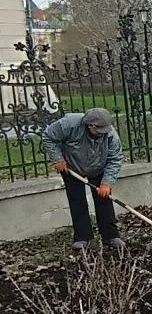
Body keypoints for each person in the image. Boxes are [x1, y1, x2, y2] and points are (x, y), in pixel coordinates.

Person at [42, 108, 126, 252]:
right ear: (90, 126)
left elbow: (115, 158)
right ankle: (82, 237)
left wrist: (106, 183)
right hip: (72, 168)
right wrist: (58, 159)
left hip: (99, 167)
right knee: (77, 200)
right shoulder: (70, 124)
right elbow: (48, 137)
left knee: (104, 199)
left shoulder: (111, 135)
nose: (102, 134)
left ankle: (110, 236)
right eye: (99, 131)